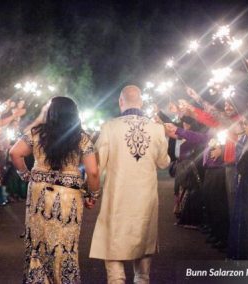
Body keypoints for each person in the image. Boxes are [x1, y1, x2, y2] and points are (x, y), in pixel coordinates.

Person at [10, 96, 99, 283]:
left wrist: (26, 175)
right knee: (65, 244)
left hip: (39, 193)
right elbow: (93, 171)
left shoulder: (36, 133)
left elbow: (14, 153)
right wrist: (93, 194)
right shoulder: (82, 138)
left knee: (38, 242)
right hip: (70, 197)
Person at [89, 85, 170, 284]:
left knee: (113, 243)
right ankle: (141, 279)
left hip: (117, 197)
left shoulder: (109, 127)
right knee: (143, 246)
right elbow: (163, 162)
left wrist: (92, 192)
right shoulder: (157, 128)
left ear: (120, 102)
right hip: (145, 198)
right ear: (141, 102)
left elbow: (98, 165)